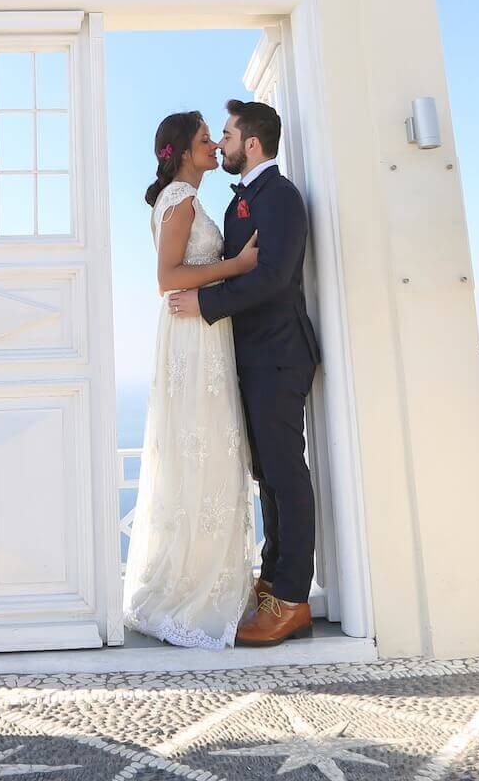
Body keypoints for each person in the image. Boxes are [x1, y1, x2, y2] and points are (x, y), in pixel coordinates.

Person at [166, 98, 320, 646]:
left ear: (251, 143)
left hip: (279, 354)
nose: (222, 142)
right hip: (250, 355)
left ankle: (292, 598)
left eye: (227, 134)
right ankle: (273, 583)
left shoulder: (279, 197)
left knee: (285, 474)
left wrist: (206, 306)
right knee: (267, 476)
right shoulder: (241, 204)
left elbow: (275, 277)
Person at [122, 111, 259, 648]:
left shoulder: (189, 198)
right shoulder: (178, 199)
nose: (212, 145)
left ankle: (211, 579)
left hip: (203, 334)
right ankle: (190, 590)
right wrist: (238, 266)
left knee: (208, 453)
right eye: (204, 139)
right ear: (181, 151)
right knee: (202, 451)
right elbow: (167, 278)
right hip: (191, 340)